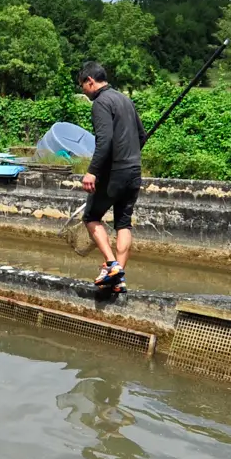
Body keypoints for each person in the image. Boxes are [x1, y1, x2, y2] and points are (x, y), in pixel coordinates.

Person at [77, 61, 145, 293]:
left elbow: (104, 141)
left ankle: (112, 265)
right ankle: (119, 280)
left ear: (90, 82)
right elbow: (142, 135)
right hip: (134, 169)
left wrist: (92, 171)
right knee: (123, 223)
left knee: (91, 216)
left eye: (83, 86)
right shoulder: (125, 99)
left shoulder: (101, 103)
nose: (84, 92)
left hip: (114, 172)